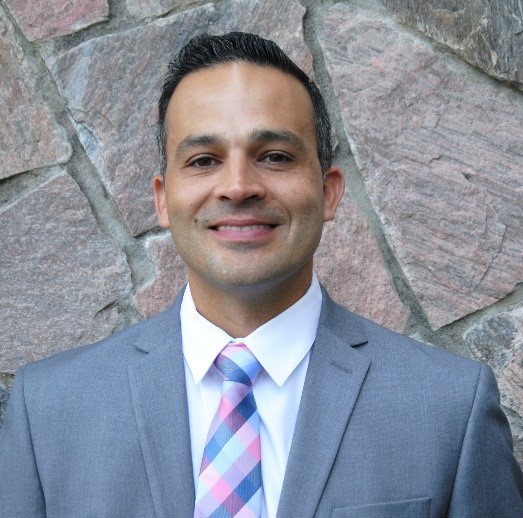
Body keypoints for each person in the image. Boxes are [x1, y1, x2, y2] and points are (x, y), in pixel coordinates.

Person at [0, 32, 522, 518]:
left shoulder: (450, 408)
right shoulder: (48, 411)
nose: (238, 186)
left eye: (274, 156)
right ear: (162, 199)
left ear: (329, 191)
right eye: (203, 160)